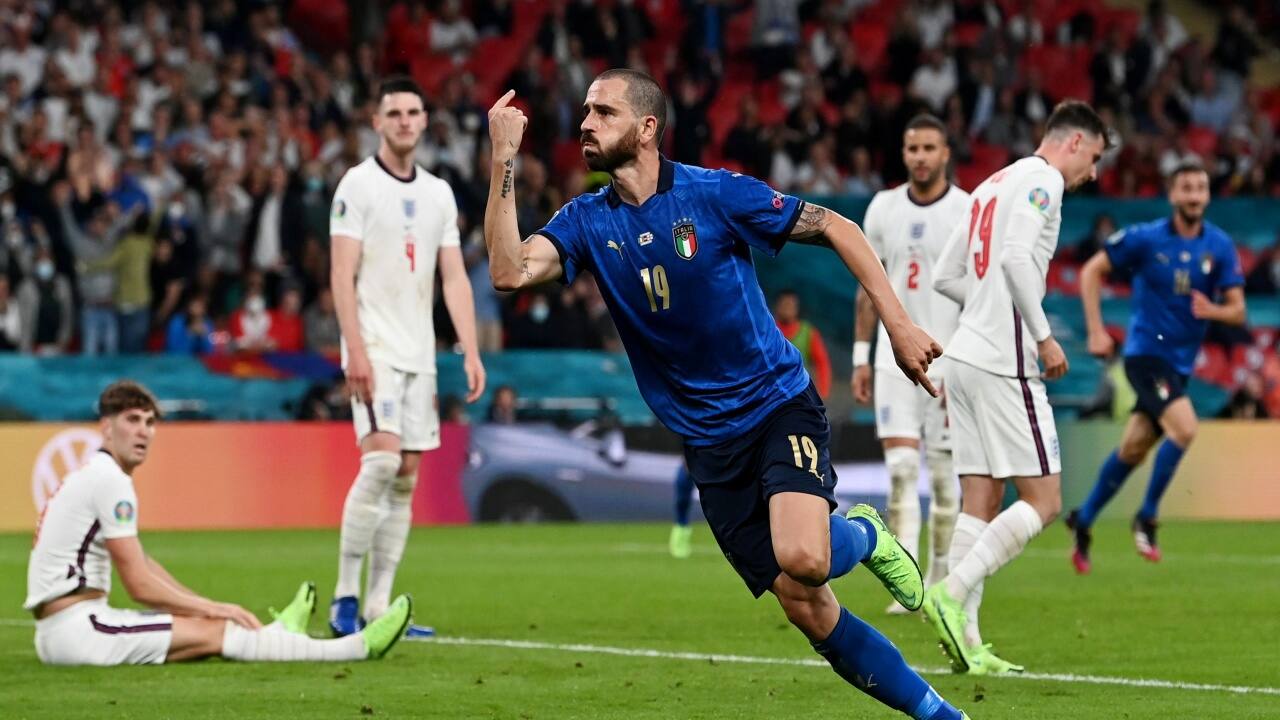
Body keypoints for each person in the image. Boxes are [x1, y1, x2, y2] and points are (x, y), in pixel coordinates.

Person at [484, 70, 970, 720]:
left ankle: (862, 532)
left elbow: (839, 227)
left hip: (776, 406)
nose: (585, 123)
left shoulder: (715, 194)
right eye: (585, 112)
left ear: (648, 128)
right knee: (809, 610)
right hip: (709, 447)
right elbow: (507, 270)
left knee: (806, 556)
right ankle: (942, 715)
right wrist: (502, 160)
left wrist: (899, 324)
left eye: (603, 111)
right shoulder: (586, 222)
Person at [24, 380, 412, 666]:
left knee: (206, 631)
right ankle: (356, 648)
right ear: (106, 428)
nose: (144, 431)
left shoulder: (94, 473)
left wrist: (201, 608)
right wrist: (213, 607)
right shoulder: (110, 481)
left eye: (150, 422)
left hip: (65, 630)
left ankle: (279, 635)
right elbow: (139, 585)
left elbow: (142, 565)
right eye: (132, 420)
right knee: (218, 632)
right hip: (79, 630)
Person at [926, 101, 1112, 675]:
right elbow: (1012, 258)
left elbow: (944, 276)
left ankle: (968, 645)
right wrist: (1042, 335)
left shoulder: (990, 184)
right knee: (1045, 501)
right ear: (1074, 142)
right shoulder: (1044, 181)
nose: (1095, 175)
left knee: (980, 501)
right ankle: (951, 592)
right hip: (1004, 360)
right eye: (1096, 158)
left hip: (962, 357)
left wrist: (982, 311)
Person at [328, 76, 486, 639]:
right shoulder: (357, 185)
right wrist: (355, 350)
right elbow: (340, 275)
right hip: (373, 347)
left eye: (412, 112)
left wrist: (468, 348)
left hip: (420, 353)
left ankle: (377, 608)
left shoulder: (440, 193)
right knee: (381, 463)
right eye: (392, 112)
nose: (403, 121)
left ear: (424, 121)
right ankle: (343, 601)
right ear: (377, 122)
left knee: (406, 476)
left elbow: (453, 277)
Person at [1066, 161, 1246, 572]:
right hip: (1146, 355)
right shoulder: (1147, 239)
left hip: (1179, 365)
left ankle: (1084, 519)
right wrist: (1096, 330)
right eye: (1186, 188)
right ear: (1173, 194)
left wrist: (1213, 310)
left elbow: (1238, 312)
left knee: (1134, 447)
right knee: (1185, 428)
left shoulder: (1218, 246)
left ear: (1208, 195)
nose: (1194, 195)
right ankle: (1146, 517)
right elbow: (1092, 270)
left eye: (1201, 188)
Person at [851, 114, 968, 616]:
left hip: (949, 360)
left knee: (944, 478)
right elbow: (867, 287)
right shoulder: (882, 208)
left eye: (929, 147)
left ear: (945, 153)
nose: (919, 156)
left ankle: (941, 577)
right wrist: (861, 355)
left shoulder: (966, 210)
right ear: (904, 153)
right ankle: (909, 586)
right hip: (891, 359)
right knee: (900, 472)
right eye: (912, 147)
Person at [774, 289, 831, 399]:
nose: (787, 309)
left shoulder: (808, 333)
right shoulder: (769, 330)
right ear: (777, 306)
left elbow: (822, 363)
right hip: (772, 393)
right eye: (784, 305)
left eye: (791, 305)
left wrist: (822, 392)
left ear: (797, 308)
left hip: (799, 393)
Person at [668, 461, 696, 559]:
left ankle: (680, 546)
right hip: (683, 494)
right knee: (682, 517)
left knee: (682, 516)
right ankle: (678, 547)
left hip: (684, 492)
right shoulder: (683, 474)